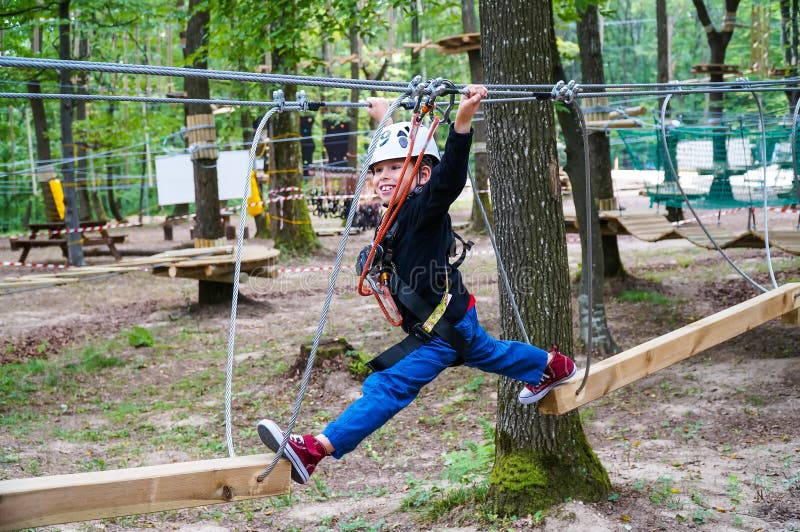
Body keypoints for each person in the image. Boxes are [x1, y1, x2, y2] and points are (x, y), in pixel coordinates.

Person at [258, 85, 577, 484]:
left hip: (440, 329)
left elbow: (447, 180)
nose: (383, 177)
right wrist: (385, 122)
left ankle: (315, 450)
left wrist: (462, 123)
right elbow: (405, 171)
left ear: (423, 175)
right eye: (377, 170)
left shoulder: (425, 208)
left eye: (395, 169)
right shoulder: (395, 213)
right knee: (490, 352)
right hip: (455, 318)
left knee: (387, 385)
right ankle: (551, 366)